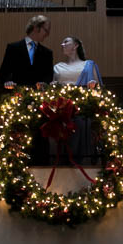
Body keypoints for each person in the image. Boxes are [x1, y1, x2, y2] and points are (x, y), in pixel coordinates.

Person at [52, 36, 103, 166]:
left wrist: (93, 86)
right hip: (62, 111)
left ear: (75, 46)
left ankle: (82, 162)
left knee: (82, 126)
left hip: (83, 110)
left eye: (66, 42)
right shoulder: (58, 67)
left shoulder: (89, 65)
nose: (62, 44)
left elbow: (99, 90)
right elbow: (52, 90)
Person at [0, 15, 53, 89]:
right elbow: (4, 72)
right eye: (46, 30)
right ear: (36, 28)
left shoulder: (47, 53)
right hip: (16, 94)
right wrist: (8, 81)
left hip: (38, 96)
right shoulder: (13, 48)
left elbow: (49, 76)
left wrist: (45, 83)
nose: (48, 34)